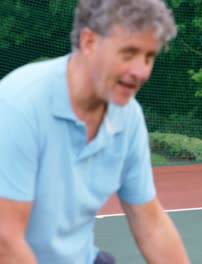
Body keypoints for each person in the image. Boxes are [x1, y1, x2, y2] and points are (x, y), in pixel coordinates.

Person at [0, 0, 191, 263]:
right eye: (129, 53)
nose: (141, 71)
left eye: (149, 57)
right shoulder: (19, 105)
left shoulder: (128, 116)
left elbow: (150, 223)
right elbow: (5, 240)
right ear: (89, 42)